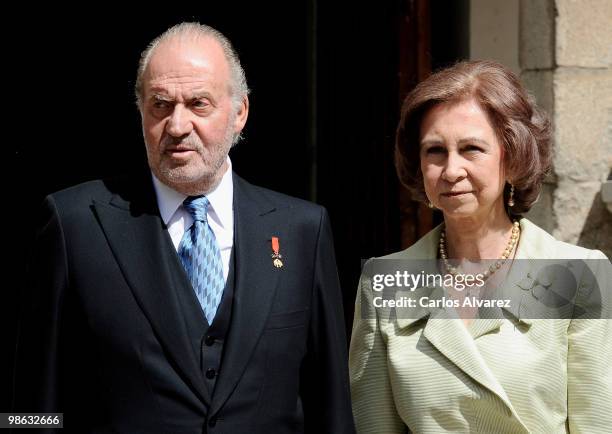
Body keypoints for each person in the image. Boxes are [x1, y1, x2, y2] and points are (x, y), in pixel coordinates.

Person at [13, 22, 355, 434]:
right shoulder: (73, 224)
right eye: (160, 104)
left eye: (198, 104)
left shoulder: (302, 230)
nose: (177, 126)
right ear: (140, 110)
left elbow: (332, 407)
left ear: (240, 112)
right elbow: (31, 407)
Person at [349, 60, 611, 433]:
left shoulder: (577, 275)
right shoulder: (385, 283)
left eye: (472, 148)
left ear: (513, 156)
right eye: (435, 151)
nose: (451, 169)